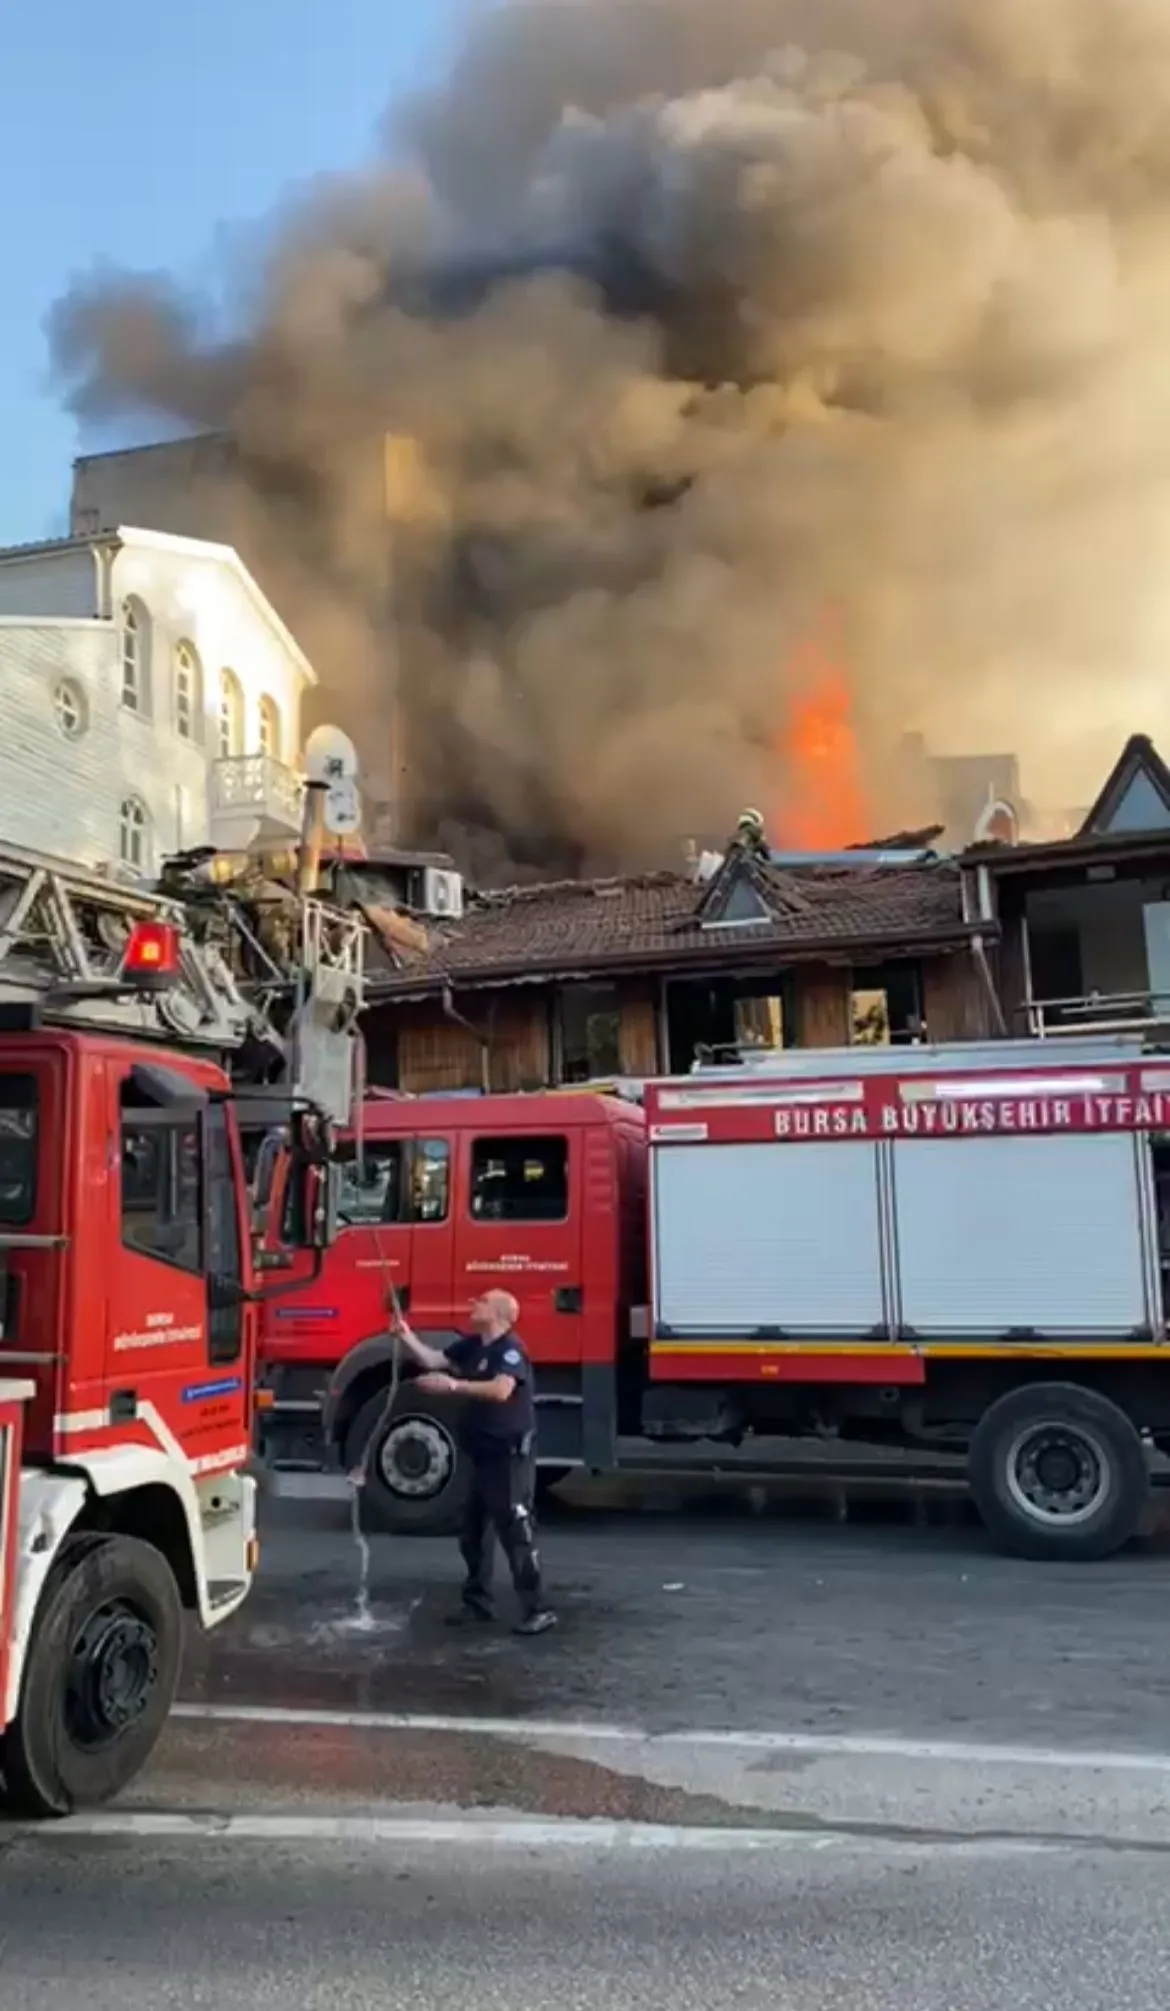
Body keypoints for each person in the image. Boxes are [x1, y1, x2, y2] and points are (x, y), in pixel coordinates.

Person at [388, 1288, 556, 1637]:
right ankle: (478, 1602)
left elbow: (500, 1390)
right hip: (480, 1452)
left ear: (496, 1313)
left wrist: (452, 1386)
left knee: (515, 1529)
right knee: (474, 1532)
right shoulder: (473, 1345)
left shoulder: (510, 1350)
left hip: (507, 1454)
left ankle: (538, 1608)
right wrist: (407, 1337)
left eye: (479, 1301)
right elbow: (435, 1359)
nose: (471, 1304)